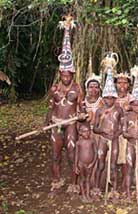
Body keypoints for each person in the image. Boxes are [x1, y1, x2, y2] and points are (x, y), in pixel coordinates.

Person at [45, 15, 85, 193]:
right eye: (63, 74)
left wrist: (82, 117)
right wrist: (46, 122)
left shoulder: (78, 89)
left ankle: (74, 183)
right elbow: (50, 107)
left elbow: (81, 108)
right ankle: (56, 180)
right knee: (55, 154)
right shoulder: (54, 89)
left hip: (70, 124)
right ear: (60, 72)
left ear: (73, 73)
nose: (66, 77)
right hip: (56, 123)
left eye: (69, 74)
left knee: (71, 153)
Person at [93, 68, 123, 199]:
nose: (109, 100)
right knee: (100, 164)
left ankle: (114, 190)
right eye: (107, 98)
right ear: (103, 97)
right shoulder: (99, 111)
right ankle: (96, 188)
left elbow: (123, 126)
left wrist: (117, 134)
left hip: (114, 139)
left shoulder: (119, 109)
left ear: (115, 98)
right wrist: (103, 131)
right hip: (103, 140)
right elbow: (94, 128)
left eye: (112, 98)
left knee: (113, 165)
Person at [114, 72, 131, 192]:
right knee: (113, 158)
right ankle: (113, 183)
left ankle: (125, 183)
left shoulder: (132, 98)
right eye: (119, 82)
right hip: (113, 132)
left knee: (125, 159)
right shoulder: (110, 97)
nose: (122, 85)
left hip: (127, 133)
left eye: (125, 82)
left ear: (129, 85)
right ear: (115, 84)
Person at [75, 123, 97, 203]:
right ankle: (83, 195)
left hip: (90, 164)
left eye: (88, 131)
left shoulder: (92, 141)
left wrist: (93, 162)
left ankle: (88, 194)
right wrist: (76, 166)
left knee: (88, 179)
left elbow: (95, 152)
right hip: (81, 164)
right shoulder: (78, 143)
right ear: (80, 132)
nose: (86, 133)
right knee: (82, 179)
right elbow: (76, 155)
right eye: (84, 132)